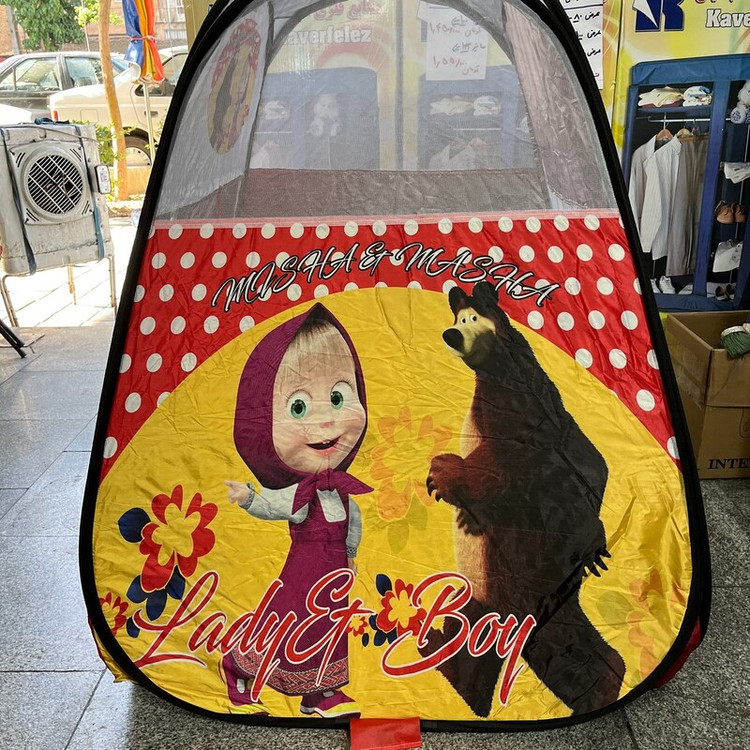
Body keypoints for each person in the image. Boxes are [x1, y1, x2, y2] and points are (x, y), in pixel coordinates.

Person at [222, 303, 370, 718]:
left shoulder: (342, 491)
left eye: (338, 398)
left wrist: (351, 556)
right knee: (286, 622)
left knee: (328, 626)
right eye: (299, 407)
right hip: (303, 575)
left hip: (335, 577)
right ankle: (238, 668)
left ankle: (319, 692)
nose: (325, 422)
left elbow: (353, 526)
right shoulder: (301, 493)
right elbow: (275, 506)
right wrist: (249, 498)